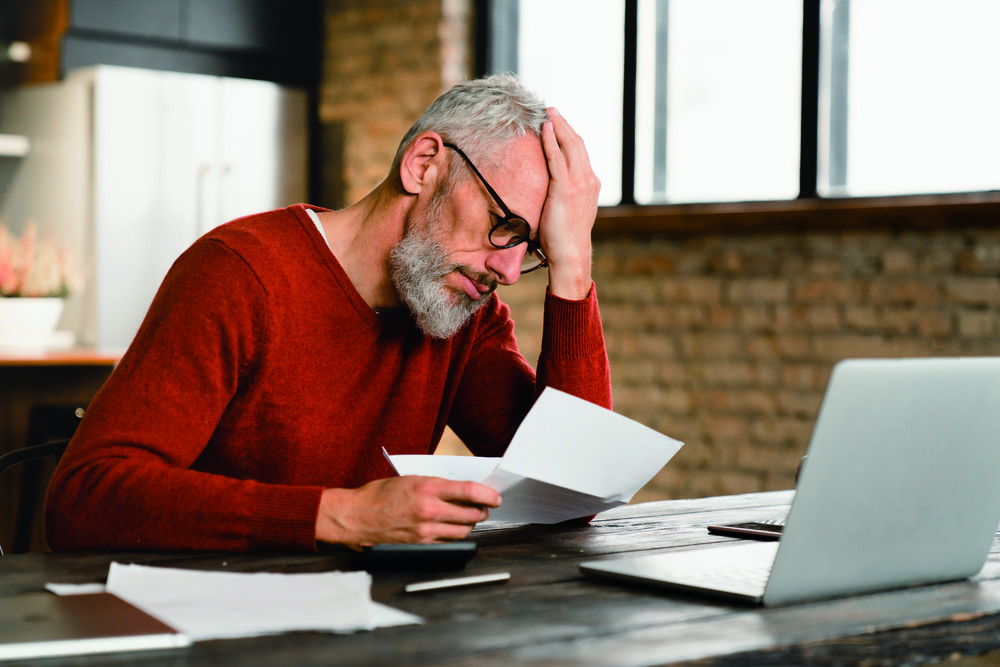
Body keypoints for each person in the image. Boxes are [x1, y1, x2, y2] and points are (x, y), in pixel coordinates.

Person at [45, 74, 612, 552]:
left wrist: (573, 264)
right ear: (424, 165)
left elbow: (569, 491)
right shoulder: (238, 274)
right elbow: (85, 499)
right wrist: (341, 517)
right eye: (504, 226)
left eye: (531, 247)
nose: (509, 272)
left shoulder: (463, 312)